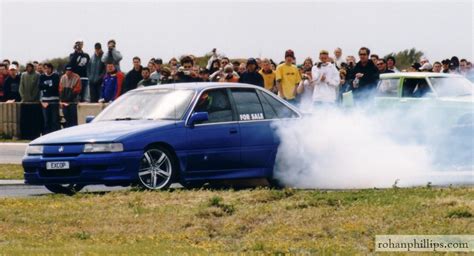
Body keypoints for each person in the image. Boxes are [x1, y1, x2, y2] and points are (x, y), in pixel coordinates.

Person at [19, 63, 42, 139]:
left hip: (35, 102)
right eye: (27, 67)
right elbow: (21, 87)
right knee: (25, 120)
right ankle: (25, 136)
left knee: (34, 120)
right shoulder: (23, 75)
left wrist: (33, 98)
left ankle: (34, 135)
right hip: (25, 101)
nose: (29, 68)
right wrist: (23, 97)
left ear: (32, 68)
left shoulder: (37, 75)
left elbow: (37, 88)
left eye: (30, 67)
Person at [39, 63, 60, 134]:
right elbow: (40, 86)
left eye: (48, 68)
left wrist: (46, 86)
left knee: (55, 120)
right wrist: (49, 86)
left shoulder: (55, 76)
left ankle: (56, 134)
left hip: (54, 100)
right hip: (45, 101)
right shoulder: (42, 76)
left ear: (51, 68)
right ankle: (46, 134)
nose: (47, 70)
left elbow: (55, 87)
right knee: (46, 120)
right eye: (45, 68)